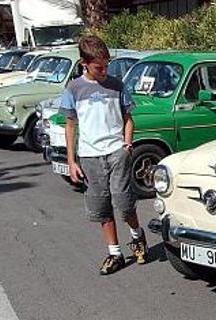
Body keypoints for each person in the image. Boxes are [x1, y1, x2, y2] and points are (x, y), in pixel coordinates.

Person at [60, 35, 147, 275]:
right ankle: (115, 253)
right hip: (89, 156)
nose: (104, 71)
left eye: (107, 65)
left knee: (123, 201)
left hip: (116, 151)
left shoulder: (117, 85)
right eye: (99, 67)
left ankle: (137, 237)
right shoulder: (73, 88)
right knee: (102, 207)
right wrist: (71, 160)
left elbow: (129, 119)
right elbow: (70, 125)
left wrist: (127, 145)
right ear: (84, 64)